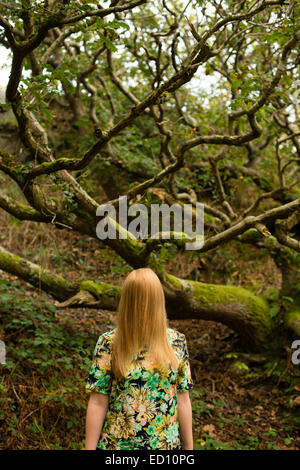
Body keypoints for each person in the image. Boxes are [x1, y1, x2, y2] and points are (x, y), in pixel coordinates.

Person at [85, 267, 193, 450]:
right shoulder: (109, 343)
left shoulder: (176, 342)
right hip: (119, 447)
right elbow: (97, 402)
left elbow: (183, 399)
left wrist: (189, 449)